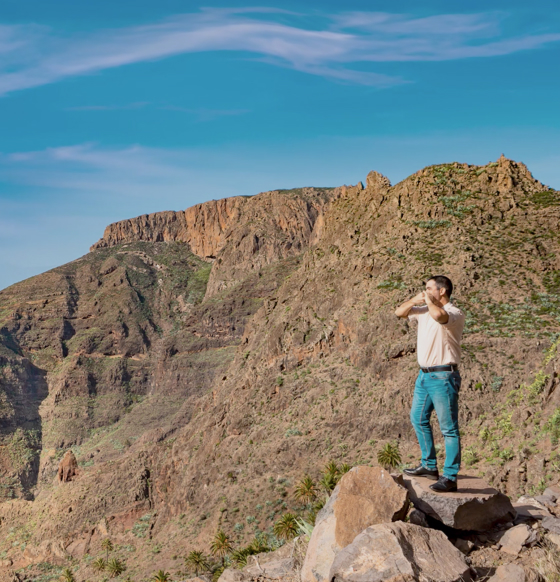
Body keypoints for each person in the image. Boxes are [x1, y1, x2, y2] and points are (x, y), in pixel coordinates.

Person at [394, 275, 465, 493]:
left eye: (429, 288)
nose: (425, 291)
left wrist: (428, 302)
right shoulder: (423, 310)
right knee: (418, 418)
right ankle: (428, 465)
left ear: (442, 291)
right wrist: (416, 300)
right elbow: (399, 312)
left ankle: (450, 476)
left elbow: (439, 315)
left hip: (444, 376)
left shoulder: (453, 313)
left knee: (449, 428)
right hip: (424, 376)